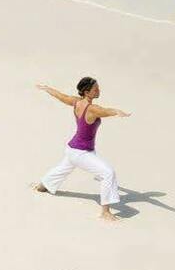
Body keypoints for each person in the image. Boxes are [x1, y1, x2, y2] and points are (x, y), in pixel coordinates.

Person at [33, 77, 130, 222]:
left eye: (98, 88)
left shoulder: (76, 102)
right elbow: (105, 111)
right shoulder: (92, 109)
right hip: (80, 152)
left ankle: (42, 186)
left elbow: (61, 96)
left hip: (73, 149)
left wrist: (48, 89)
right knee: (108, 173)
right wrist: (116, 111)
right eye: (95, 89)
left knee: (63, 168)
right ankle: (105, 212)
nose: (99, 91)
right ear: (86, 92)